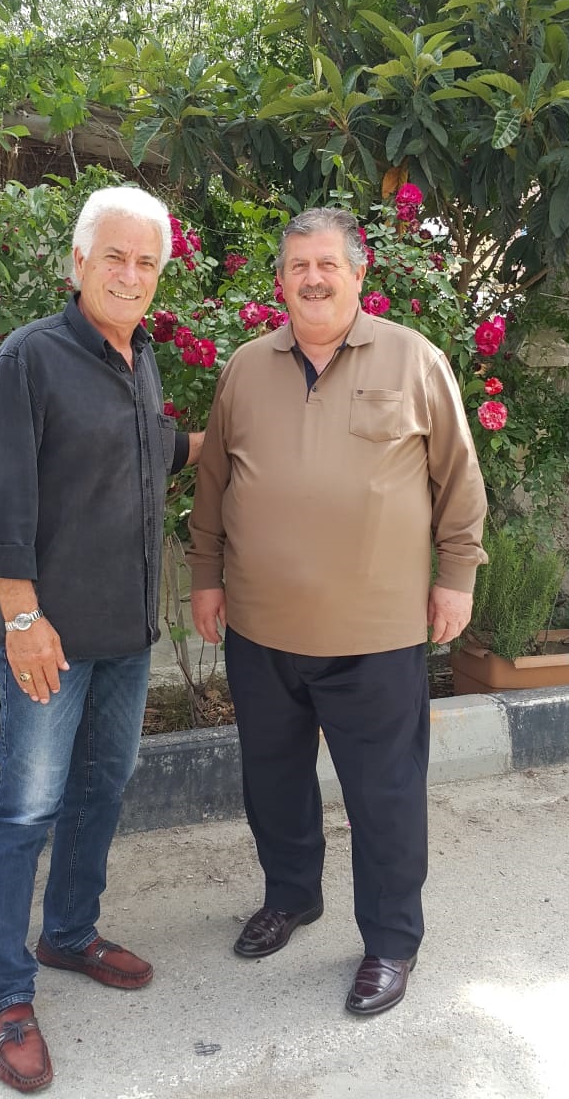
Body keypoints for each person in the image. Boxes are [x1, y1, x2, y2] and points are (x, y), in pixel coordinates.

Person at [188, 207, 486, 1017]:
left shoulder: (413, 358)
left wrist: (456, 576)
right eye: (298, 267)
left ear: (358, 273)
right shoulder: (245, 367)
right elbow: (213, 484)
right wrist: (206, 577)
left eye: (327, 264)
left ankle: (390, 940)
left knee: (383, 795)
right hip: (260, 627)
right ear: (279, 281)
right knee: (272, 781)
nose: (312, 279)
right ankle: (291, 895)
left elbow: (458, 478)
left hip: (375, 632)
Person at [0, 186, 202, 1092]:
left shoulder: (139, 357)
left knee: (103, 787)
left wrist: (235, 437)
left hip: (125, 634)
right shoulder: (28, 359)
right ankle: (2, 992)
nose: (130, 275)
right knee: (26, 811)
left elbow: (147, 452)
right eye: (114, 256)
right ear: (78, 262)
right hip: (50, 640)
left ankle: (67, 933)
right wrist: (22, 620)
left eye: (146, 262)